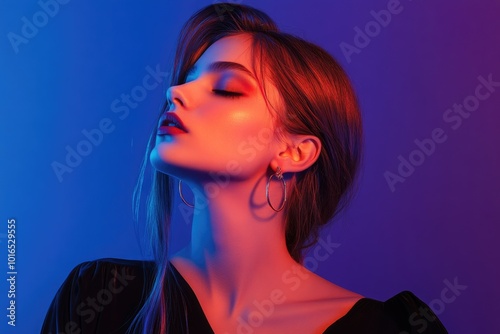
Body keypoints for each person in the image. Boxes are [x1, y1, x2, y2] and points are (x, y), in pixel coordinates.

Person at [41, 3, 448, 334]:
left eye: (226, 88)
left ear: (296, 152)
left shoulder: (390, 329)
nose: (173, 91)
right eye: (187, 79)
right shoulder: (98, 298)